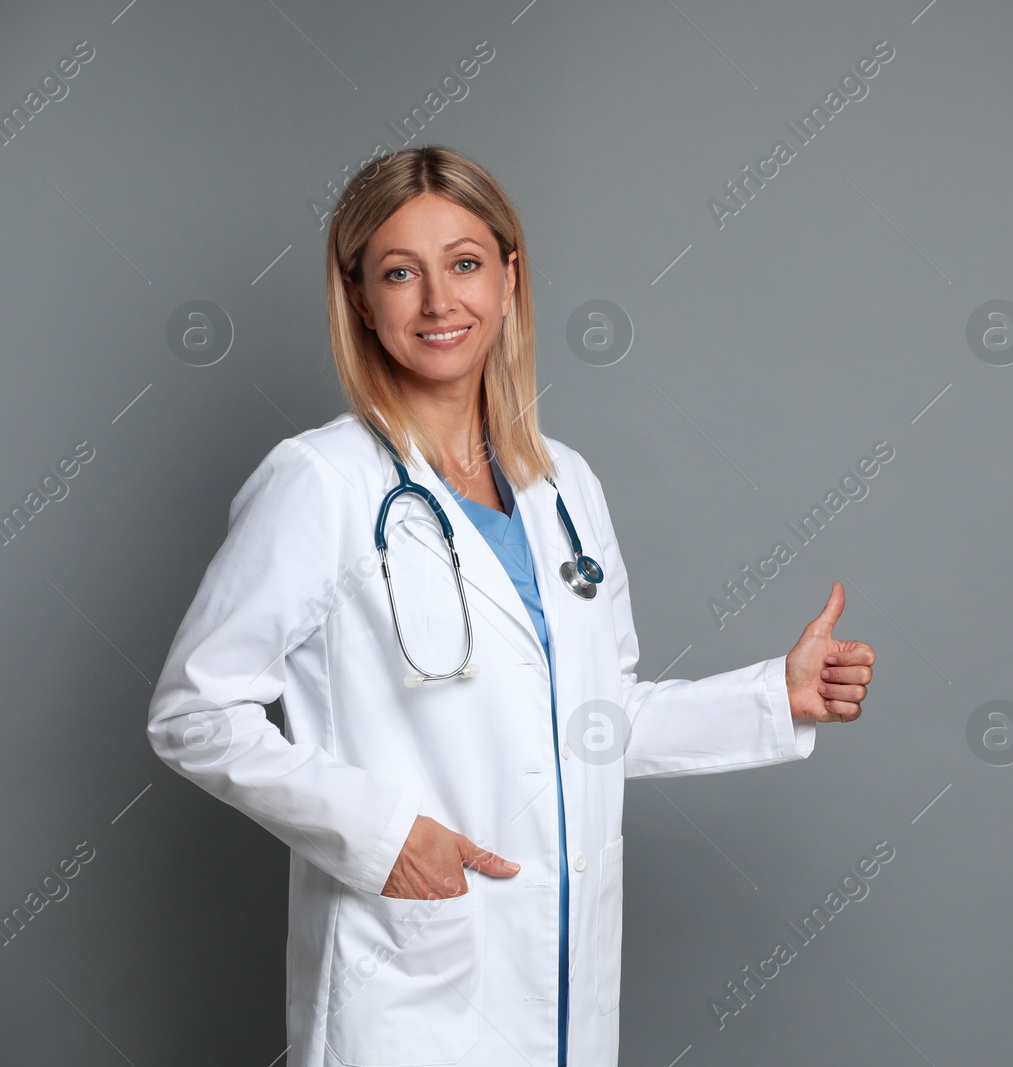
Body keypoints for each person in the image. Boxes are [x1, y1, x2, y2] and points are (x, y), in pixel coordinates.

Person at [146, 144, 875, 1067]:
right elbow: (193, 711)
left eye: (464, 263)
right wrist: (382, 837)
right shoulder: (321, 481)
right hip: (407, 988)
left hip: (562, 998)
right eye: (400, 273)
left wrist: (778, 695)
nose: (440, 302)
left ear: (509, 276)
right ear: (361, 299)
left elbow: (596, 722)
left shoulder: (562, 485)